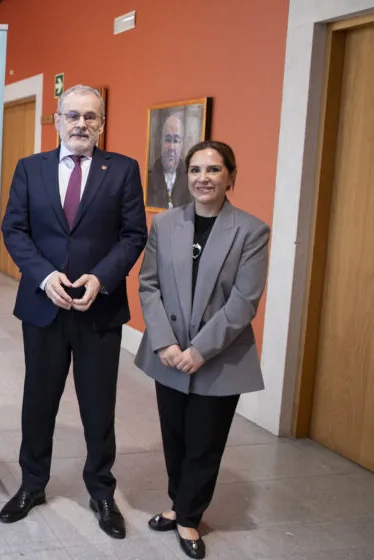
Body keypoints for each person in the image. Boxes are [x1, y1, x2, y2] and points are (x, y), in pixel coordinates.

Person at [0, 85, 147, 539]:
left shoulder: (122, 170)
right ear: (57, 120)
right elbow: (15, 229)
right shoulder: (30, 168)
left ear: (102, 123)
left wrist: (100, 278)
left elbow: (133, 234)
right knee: (38, 402)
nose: (81, 124)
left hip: (97, 308)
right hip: (44, 306)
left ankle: (101, 491)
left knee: (98, 407)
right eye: (72, 116)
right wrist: (45, 277)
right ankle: (32, 484)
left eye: (91, 116)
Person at [134, 140, 270, 559]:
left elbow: (243, 303)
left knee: (205, 441)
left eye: (213, 170)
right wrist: (165, 343)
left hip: (219, 358)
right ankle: (179, 504)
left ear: (231, 176)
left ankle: (190, 516)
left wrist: (199, 351)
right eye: (195, 170)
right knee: (174, 437)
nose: (203, 178)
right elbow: (149, 284)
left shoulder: (251, 231)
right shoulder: (166, 224)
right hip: (169, 354)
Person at [146, 113, 190, 210]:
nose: (171, 147)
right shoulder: (147, 179)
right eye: (167, 140)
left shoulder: (190, 180)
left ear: (182, 144)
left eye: (176, 141)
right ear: (160, 141)